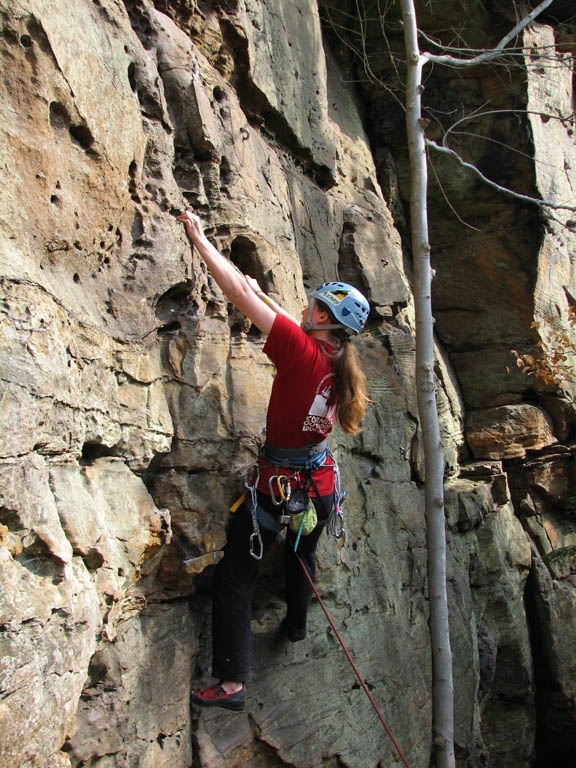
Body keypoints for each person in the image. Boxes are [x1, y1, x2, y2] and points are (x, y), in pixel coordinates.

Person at [177, 211, 369, 712]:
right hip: (320, 486)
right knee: (302, 555)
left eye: (314, 307)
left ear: (323, 318)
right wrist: (262, 294)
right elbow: (271, 309)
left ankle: (231, 685)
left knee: (235, 578)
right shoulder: (338, 361)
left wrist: (199, 240)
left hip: (276, 488)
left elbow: (239, 297)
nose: (305, 310)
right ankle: (298, 627)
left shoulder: (300, 351)